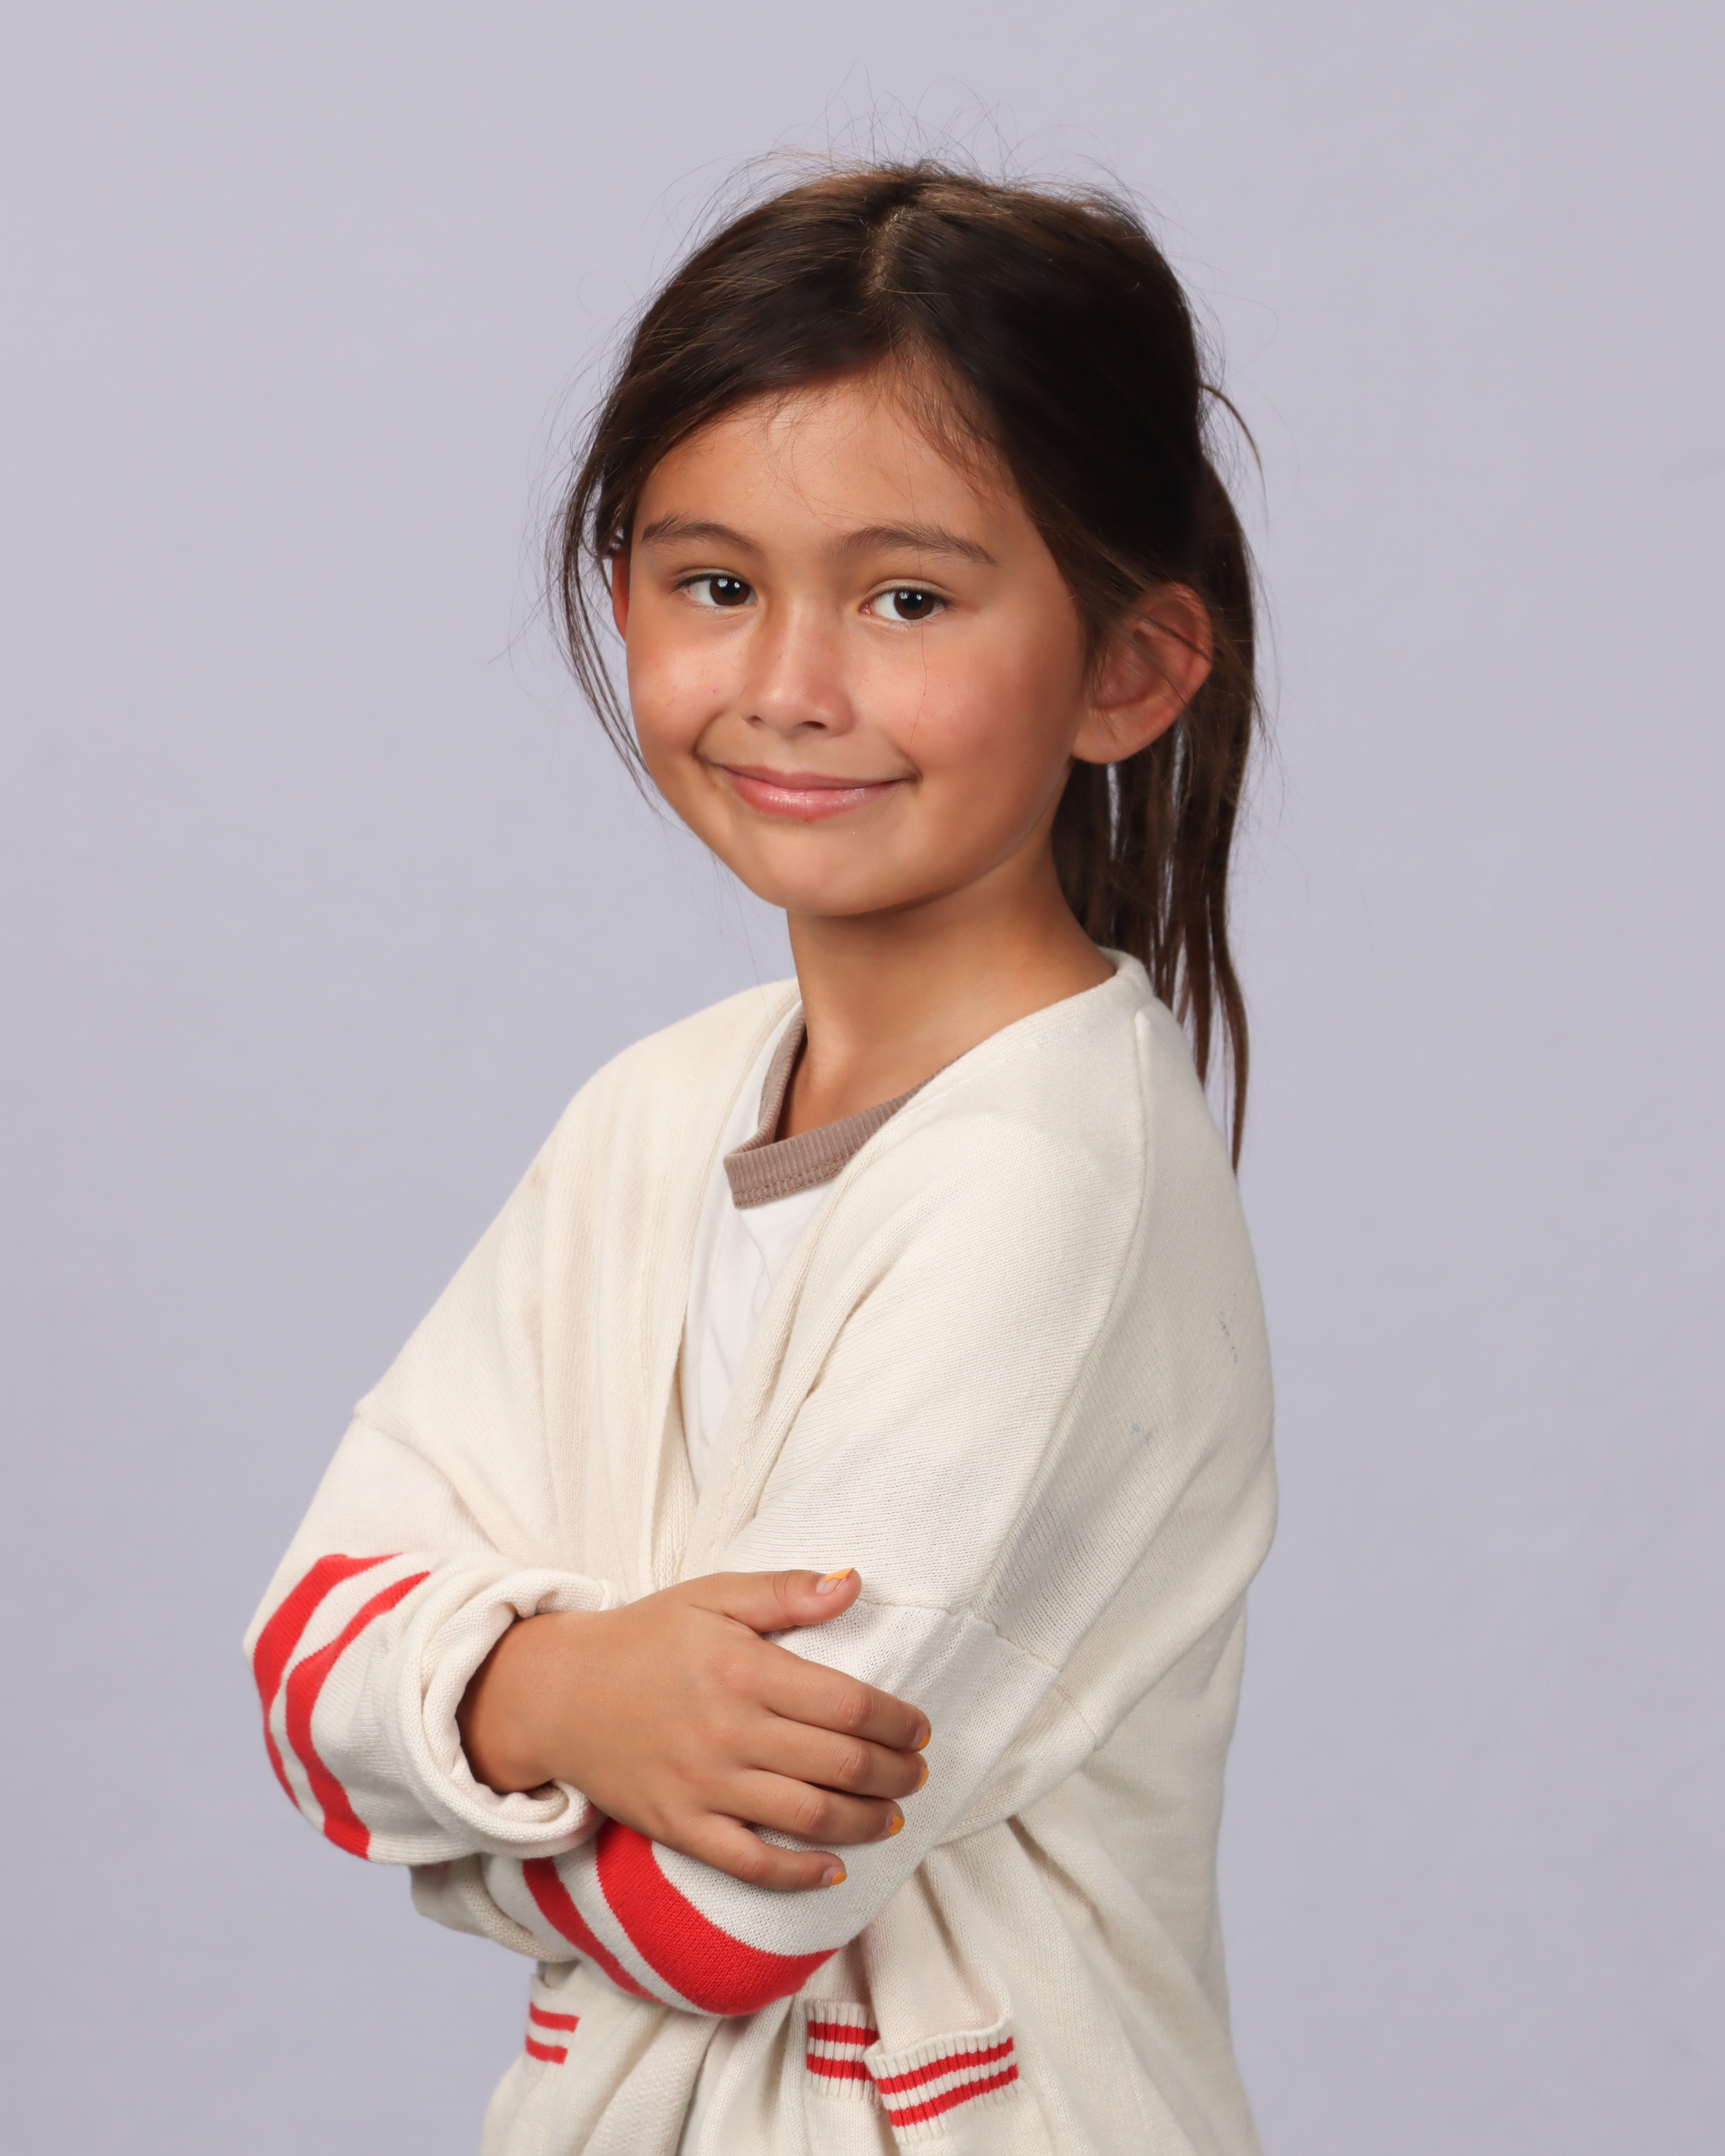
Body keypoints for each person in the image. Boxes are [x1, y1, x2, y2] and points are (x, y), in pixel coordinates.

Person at [246, 162, 1277, 2156]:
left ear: (1129, 670)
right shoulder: (652, 1115)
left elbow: (721, 1913)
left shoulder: (1046, 1197)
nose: (791, 687)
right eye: (715, 584)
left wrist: (451, 1739)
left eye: (909, 600)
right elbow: (298, 1660)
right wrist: (568, 1700)